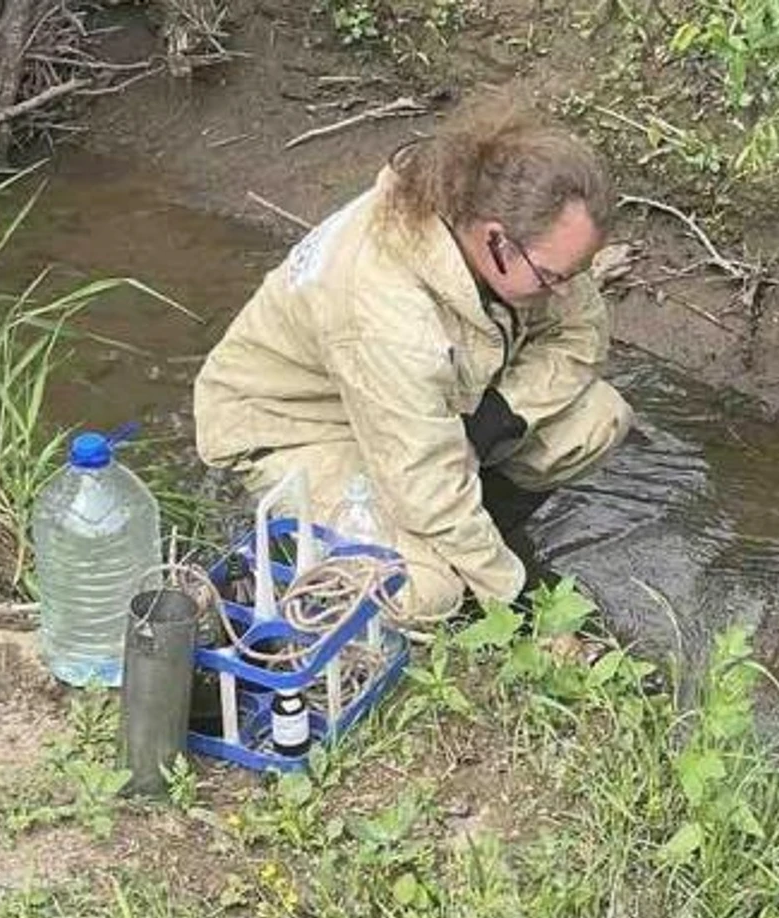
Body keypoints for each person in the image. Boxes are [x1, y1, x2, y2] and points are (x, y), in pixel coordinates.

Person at [192, 97, 632, 621]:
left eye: (573, 273)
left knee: (595, 419)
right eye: (553, 278)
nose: (564, 291)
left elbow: (582, 331)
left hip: (403, 406)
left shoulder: (490, 219)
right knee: (428, 593)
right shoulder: (387, 313)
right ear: (496, 241)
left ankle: (469, 540)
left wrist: (501, 415)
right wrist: (519, 610)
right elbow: (427, 486)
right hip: (298, 428)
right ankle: (299, 555)